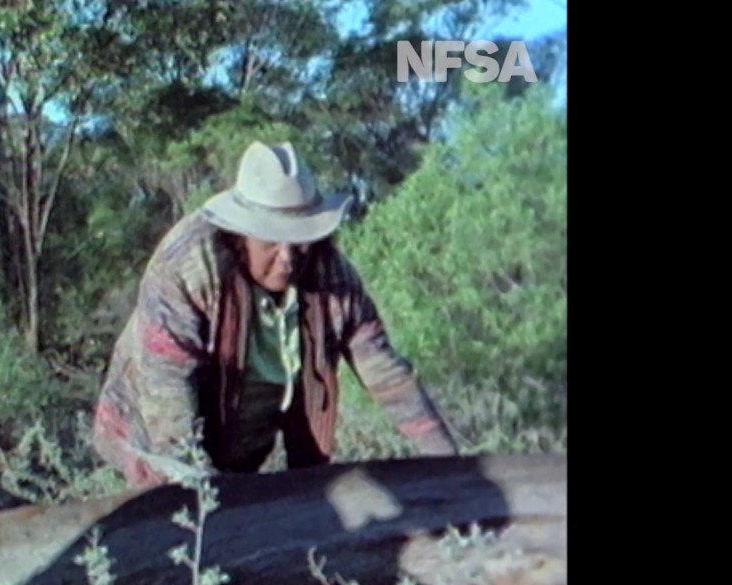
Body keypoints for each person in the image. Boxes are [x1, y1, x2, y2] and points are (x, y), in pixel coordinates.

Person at [91, 140, 459, 488]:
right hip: (154, 438)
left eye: (299, 241)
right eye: (271, 241)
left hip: (242, 440)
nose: (287, 258)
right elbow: (167, 392)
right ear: (241, 234)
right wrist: (200, 492)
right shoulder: (187, 266)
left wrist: (446, 463)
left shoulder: (329, 274)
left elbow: (385, 371)